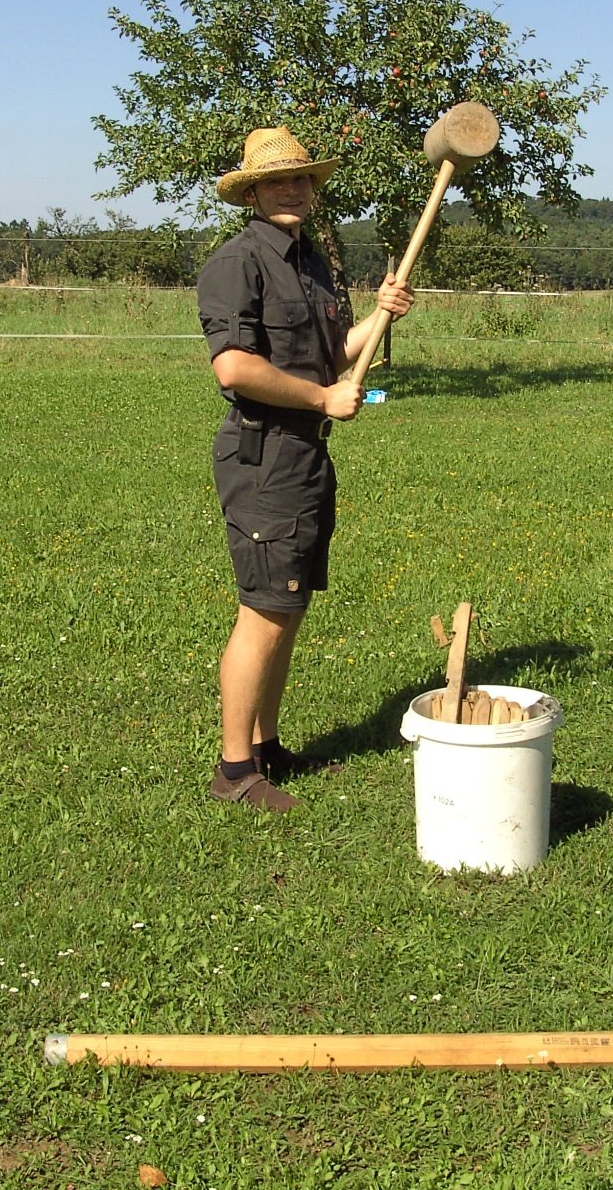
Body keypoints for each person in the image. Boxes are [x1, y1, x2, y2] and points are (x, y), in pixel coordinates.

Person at [196, 126, 415, 812]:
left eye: (301, 179)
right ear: (252, 194)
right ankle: (234, 771)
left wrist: (379, 317)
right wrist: (322, 398)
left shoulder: (312, 263)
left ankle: (266, 748)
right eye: (277, 181)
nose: (291, 189)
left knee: (287, 607)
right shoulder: (238, 263)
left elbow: (332, 352)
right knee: (263, 612)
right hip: (263, 457)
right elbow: (234, 368)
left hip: (306, 455)